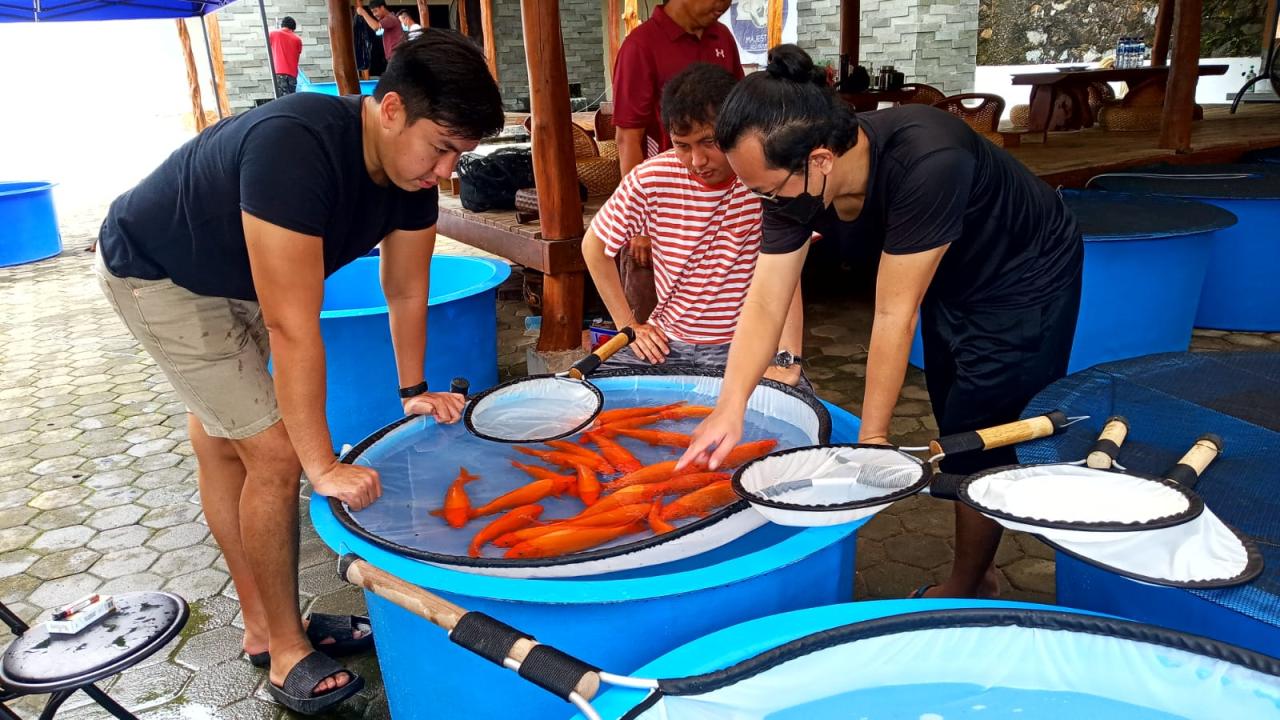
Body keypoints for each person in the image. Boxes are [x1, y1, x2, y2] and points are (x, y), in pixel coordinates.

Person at [93, 30, 503, 714]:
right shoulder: (298, 145)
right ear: (392, 108)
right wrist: (321, 465)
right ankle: (285, 651)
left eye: (459, 156)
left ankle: (263, 625)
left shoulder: (409, 176)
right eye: (442, 148)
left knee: (229, 443)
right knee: (276, 457)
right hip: (160, 273)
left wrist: (412, 390)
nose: (445, 172)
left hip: (233, 273)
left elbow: (405, 289)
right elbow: (294, 326)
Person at [678, 45, 1084, 600]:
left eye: (768, 189)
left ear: (820, 160)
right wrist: (730, 407)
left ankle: (972, 580)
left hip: (1022, 272)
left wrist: (872, 439)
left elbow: (894, 314)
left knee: (981, 420)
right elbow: (766, 300)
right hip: (948, 269)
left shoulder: (929, 159)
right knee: (950, 395)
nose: (763, 201)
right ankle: (979, 562)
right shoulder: (791, 177)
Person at [585, 63, 808, 390]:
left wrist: (788, 359)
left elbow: (790, 273)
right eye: (683, 145)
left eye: (709, 142)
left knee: (797, 406)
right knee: (593, 395)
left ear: (737, 129)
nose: (697, 161)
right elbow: (593, 247)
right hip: (669, 343)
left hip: (746, 343)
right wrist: (629, 327)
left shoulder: (765, 178)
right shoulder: (651, 179)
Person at [610, 0, 744, 331]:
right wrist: (640, 224)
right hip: (667, 204)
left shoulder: (722, 38)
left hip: (722, 203)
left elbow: (743, 116)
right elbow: (628, 138)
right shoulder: (640, 46)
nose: (724, 5)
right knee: (651, 323)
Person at [269, 17, 303, 96]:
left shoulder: (273, 34)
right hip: (292, 75)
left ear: (282, 25)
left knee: (281, 101)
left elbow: (268, 45)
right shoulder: (297, 40)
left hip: (279, 73)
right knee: (291, 99)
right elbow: (297, 55)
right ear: (293, 28)